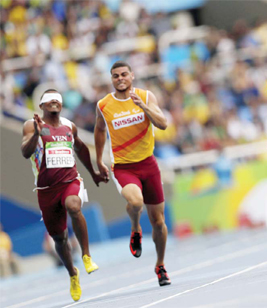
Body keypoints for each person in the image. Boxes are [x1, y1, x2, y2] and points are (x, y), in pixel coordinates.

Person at [21, 89, 106, 301]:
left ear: (61, 105)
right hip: (46, 190)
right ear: (41, 106)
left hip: (70, 180)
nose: (54, 103)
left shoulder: (70, 126)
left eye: (57, 100)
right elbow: (25, 152)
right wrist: (38, 135)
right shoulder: (32, 126)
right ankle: (72, 274)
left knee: (74, 206)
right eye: (48, 101)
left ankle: (86, 256)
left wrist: (94, 173)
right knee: (59, 238)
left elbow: (81, 149)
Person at [94, 61, 171, 286]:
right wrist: (99, 159)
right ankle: (136, 228)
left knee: (158, 221)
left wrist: (143, 107)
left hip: (148, 164)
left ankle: (160, 265)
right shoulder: (104, 105)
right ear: (111, 79)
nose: (120, 79)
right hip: (124, 167)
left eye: (124, 74)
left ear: (132, 76)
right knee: (136, 202)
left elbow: (163, 124)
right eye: (115, 76)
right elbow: (99, 130)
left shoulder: (146, 97)